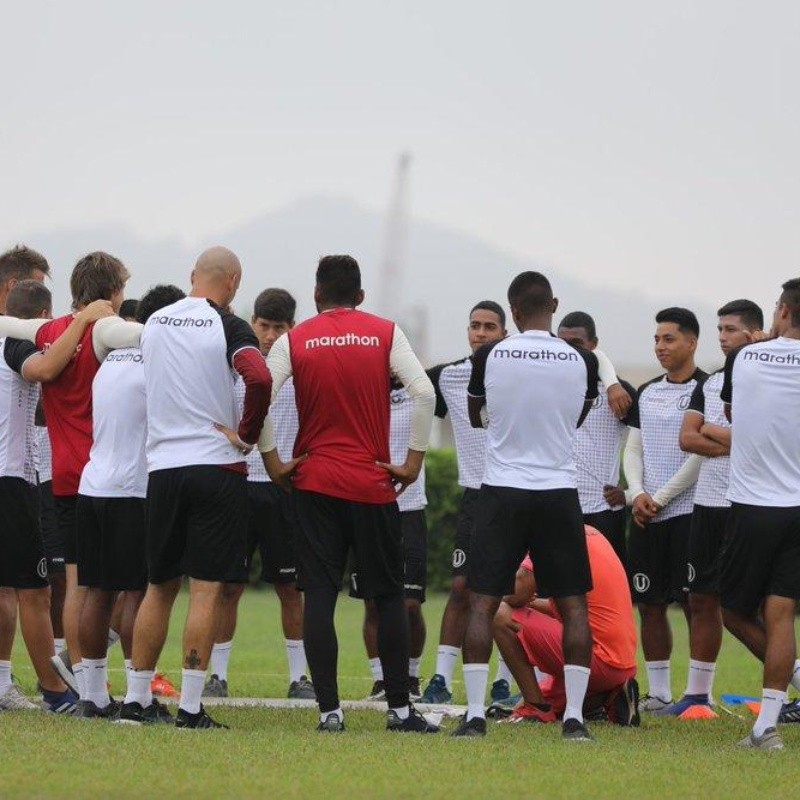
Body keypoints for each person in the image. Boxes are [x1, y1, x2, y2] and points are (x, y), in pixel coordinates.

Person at [257, 254, 437, 733]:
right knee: (388, 595)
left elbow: (259, 391)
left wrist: (273, 459)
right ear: (360, 296)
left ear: (316, 295)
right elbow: (423, 392)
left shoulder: (295, 339)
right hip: (373, 484)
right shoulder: (385, 332)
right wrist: (414, 460)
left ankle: (330, 713)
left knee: (318, 595)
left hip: (314, 485)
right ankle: (400, 711)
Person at [120, 247, 271, 729]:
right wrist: (246, 434)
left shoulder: (155, 322)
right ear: (234, 280)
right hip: (216, 468)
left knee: (157, 587)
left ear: (192, 276)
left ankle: (136, 701)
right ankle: (188, 707)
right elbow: (259, 375)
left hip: (163, 469)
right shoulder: (227, 324)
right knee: (205, 590)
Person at [456, 270, 599, 741]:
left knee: (482, 602)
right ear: (553, 305)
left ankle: (475, 716)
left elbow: (477, 416)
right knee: (574, 606)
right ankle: (574, 719)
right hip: (558, 489)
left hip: (502, 489)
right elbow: (577, 417)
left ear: (512, 311)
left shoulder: (490, 354)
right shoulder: (582, 359)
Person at [0, 252, 143, 701]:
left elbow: (22, 332)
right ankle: (95, 678)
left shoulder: (50, 331)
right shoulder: (100, 329)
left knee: (79, 584)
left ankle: (83, 681)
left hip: (59, 474)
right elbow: (140, 339)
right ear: (113, 291)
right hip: (101, 474)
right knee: (131, 584)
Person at [75, 284, 187, 719]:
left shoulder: (110, 358)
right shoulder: (159, 360)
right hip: (135, 491)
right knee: (142, 592)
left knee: (97, 593)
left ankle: (93, 697)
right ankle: (139, 697)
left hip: (94, 485)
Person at [655, 300, 764, 718]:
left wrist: (715, 434)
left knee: (750, 608)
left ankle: (783, 686)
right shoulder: (711, 382)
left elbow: (757, 440)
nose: (723, 337)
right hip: (707, 506)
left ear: (752, 333)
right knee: (700, 598)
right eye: (719, 329)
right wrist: (731, 437)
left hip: (746, 505)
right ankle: (698, 696)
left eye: (731, 329)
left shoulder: (765, 375)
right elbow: (687, 438)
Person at [204, 288, 314, 701]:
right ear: (252, 323)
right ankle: (217, 676)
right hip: (236, 487)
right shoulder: (233, 366)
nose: (269, 336)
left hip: (284, 490)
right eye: (264, 326)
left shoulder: (301, 370)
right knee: (227, 587)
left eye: (279, 327)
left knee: (291, 589)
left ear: (292, 329)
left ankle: (299, 677)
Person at [719, 279, 800, 750]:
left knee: (732, 610)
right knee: (781, 614)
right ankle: (765, 727)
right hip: (797, 506)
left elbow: (732, 409)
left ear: (785, 311)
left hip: (754, 505)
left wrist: (764, 343)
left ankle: (771, 722)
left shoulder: (745, 357)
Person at [419, 302, 509, 705]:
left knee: (513, 595)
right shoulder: (449, 376)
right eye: (475, 325)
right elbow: (402, 388)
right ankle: (440, 678)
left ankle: (506, 682)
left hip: (517, 494)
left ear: (504, 334)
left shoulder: (518, 372)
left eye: (490, 326)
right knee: (460, 588)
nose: (481, 332)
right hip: (475, 496)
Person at [624, 307, 706, 712]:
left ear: (691, 342)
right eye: (657, 339)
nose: (660, 346)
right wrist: (637, 492)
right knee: (650, 603)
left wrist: (662, 497)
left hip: (689, 512)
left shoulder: (707, 389)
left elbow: (698, 457)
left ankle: (697, 694)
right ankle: (659, 694)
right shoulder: (648, 391)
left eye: (669, 339)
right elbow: (634, 448)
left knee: (697, 604)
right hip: (646, 514)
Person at [493, 525, 638, 726]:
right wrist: (531, 602)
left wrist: (487, 594)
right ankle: (610, 695)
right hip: (620, 662)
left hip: (594, 656)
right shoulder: (591, 534)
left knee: (499, 614)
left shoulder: (548, 534)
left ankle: (535, 708)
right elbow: (576, 609)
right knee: (547, 704)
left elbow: (518, 591)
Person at [354, 377, 429, 702]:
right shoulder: (360, 393)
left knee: (410, 605)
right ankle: (380, 681)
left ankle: (410, 677)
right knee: (373, 603)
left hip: (409, 509)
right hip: (368, 508)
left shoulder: (421, 392)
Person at [0, 245, 50, 701]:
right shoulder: (16, 340)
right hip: (11, 477)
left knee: (5, 589)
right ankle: (56, 693)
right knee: (34, 589)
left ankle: (0, 682)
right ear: (15, 289)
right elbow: (47, 368)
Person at [557, 311, 636, 564]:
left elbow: (656, 442)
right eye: (563, 344)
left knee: (606, 589)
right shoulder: (548, 382)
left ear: (593, 344)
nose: (570, 351)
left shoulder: (618, 392)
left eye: (577, 344)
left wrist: (631, 491)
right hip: (558, 504)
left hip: (603, 510)